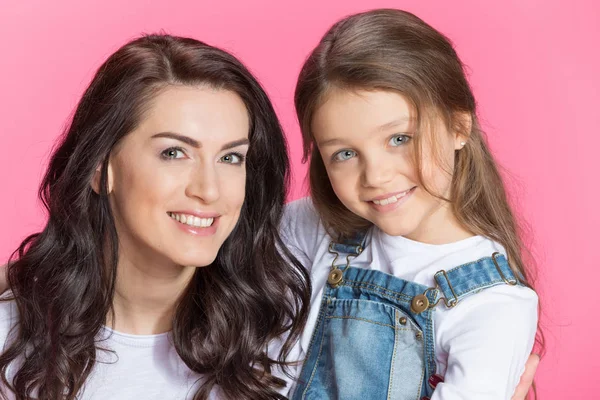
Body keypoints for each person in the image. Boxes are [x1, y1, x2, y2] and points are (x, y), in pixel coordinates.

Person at [0, 34, 311, 400]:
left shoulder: (283, 339)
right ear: (102, 168)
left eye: (230, 158)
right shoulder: (10, 339)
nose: (209, 190)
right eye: (175, 152)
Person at [281, 9, 541, 399]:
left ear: (458, 126)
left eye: (400, 139)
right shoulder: (314, 228)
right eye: (345, 154)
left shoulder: (492, 305)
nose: (376, 177)